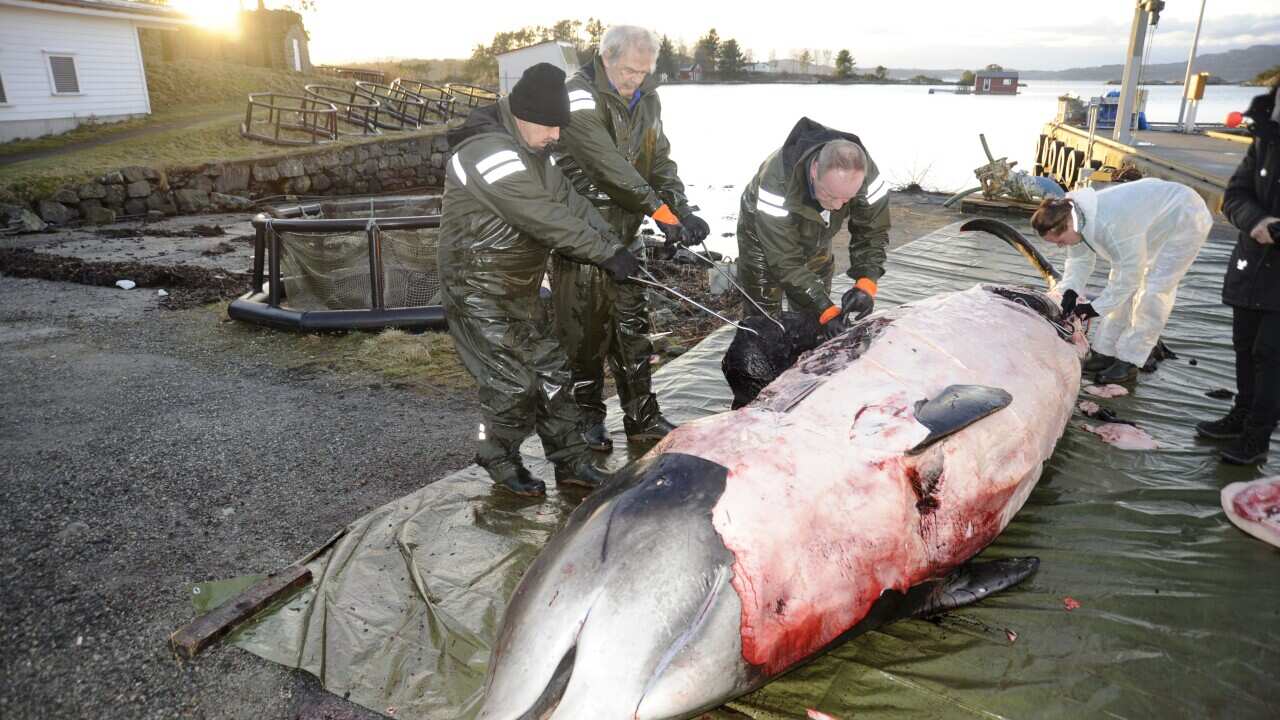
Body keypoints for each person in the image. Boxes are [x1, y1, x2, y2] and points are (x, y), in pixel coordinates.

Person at [439, 63, 641, 496]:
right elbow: (544, 218)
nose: (557, 136)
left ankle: (571, 462)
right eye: (551, 126)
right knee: (512, 383)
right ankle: (496, 455)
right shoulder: (486, 152)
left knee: (554, 372)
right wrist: (604, 254)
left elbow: (571, 203)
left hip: (521, 286)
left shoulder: (536, 153)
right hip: (476, 290)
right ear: (523, 115)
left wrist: (615, 242)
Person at [552, 25, 709, 452]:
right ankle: (586, 419)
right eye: (628, 70)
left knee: (632, 329)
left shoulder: (649, 99)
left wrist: (680, 209)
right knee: (583, 334)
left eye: (643, 72)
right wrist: (657, 210)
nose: (634, 80)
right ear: (606, 56)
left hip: (626, 230)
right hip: (582, 232)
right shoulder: (577, 94)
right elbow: (605, 164)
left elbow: (658, 159)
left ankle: (642, 415)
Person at [1031, 178, 1213, 384]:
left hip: (1184, 217)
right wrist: (1070, 291)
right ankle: (1105, 352)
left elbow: (1129, 276)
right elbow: (1079, 259)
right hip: (1151, 220)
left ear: (1069, 225)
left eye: (1060, 242)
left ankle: (1131, 360)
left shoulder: (1109, 223)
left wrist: (1093, 309)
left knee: (1153, 288)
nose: (1060, 247)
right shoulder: (1073, 217)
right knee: (1120, 282)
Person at [735, 117, 890, 338]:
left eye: (847, 199)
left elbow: (873, 231)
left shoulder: (866, 176)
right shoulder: (776, 184)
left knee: (813, 314)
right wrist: (826, 309)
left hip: (817, 231)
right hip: (764, 236)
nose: (838, 206)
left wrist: (866, 282)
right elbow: (784, 259)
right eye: (830, 195)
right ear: (815, 170)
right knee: (764, 316)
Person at [1196, 82, 1280, 465]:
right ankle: (1242, 415)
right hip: (1253, 262)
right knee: (1245, 346)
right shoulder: (1264, 139)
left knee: (1271, 355)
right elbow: (1233, 196)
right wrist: (1257, 221)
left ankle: (1257, 437)